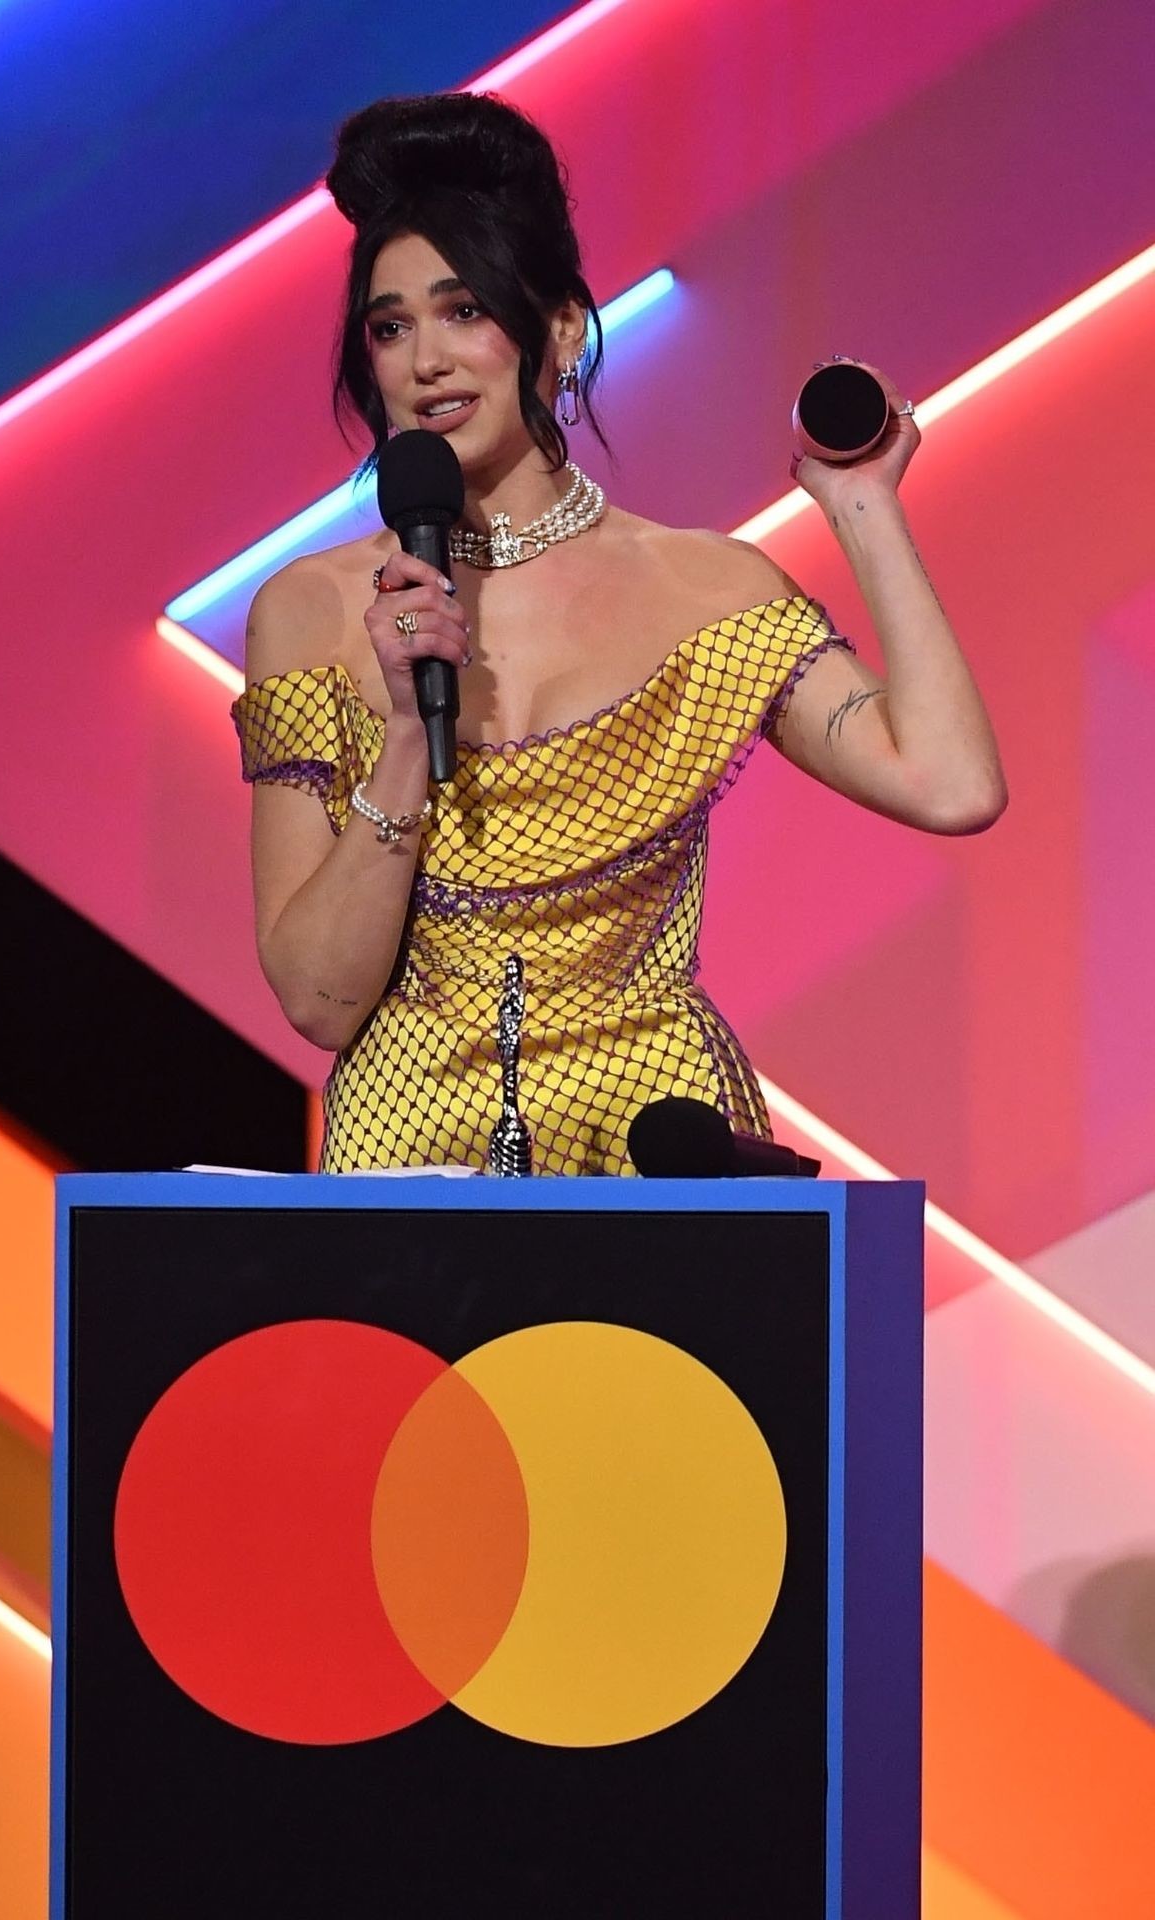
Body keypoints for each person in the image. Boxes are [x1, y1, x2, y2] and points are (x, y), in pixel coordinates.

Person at [231, 92, 1006, 1176]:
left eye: (464, 311)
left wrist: (863, 508)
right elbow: (319, 1000)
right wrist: (406, 735)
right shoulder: (311, 612)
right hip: (407, 1162)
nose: (425, 361)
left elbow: (951, 785)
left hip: (657, 1148)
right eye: (390, 327)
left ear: (557, 331)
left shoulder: (699, 587)